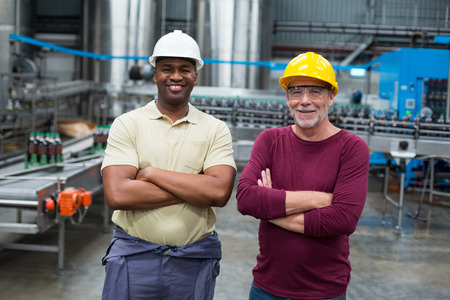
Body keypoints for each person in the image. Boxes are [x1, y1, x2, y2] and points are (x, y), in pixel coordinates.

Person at [100, 30, 236, 300]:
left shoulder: (215, 129)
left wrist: (150, 174)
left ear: (195, 76)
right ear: (155, 75)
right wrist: (195, 186)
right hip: (133, 258)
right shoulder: (128, 124)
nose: (175, 76)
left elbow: (219, 193)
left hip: (193, 261)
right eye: (167, 69)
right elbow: (117, 195)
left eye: (184, 69)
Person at [236, 52, 370, 300]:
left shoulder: (351, 148)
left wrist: (270, 208)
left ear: (331, 97)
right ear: (287, 97)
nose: (304, 101)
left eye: (316, 92)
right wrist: (320, 200)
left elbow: (343, 220)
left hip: (324, 291)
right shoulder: (270, 140)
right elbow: (245, 199)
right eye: (296, 91)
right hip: (266, 287)